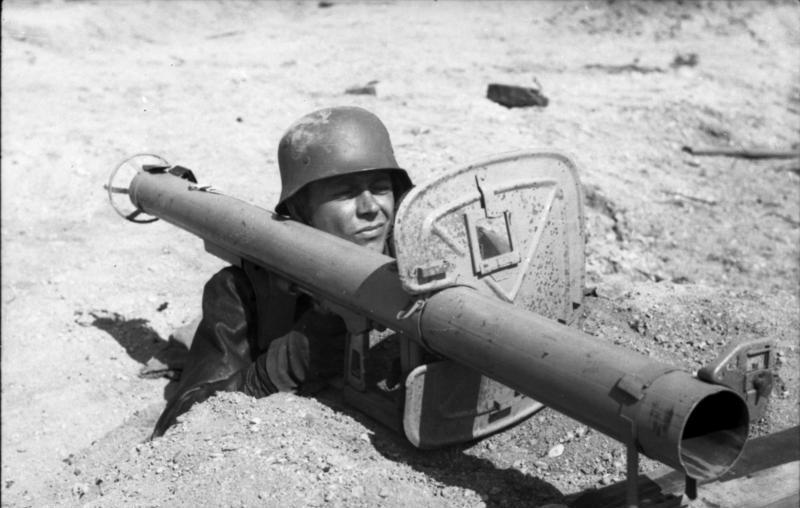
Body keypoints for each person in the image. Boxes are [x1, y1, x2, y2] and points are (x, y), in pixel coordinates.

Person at [151, 106, 413, 438]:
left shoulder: (419, 259)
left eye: (380, 188)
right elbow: (180, 425)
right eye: (345, 194)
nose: (371, 208)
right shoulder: (245, 291)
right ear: (301, 211)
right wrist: (279, 369)